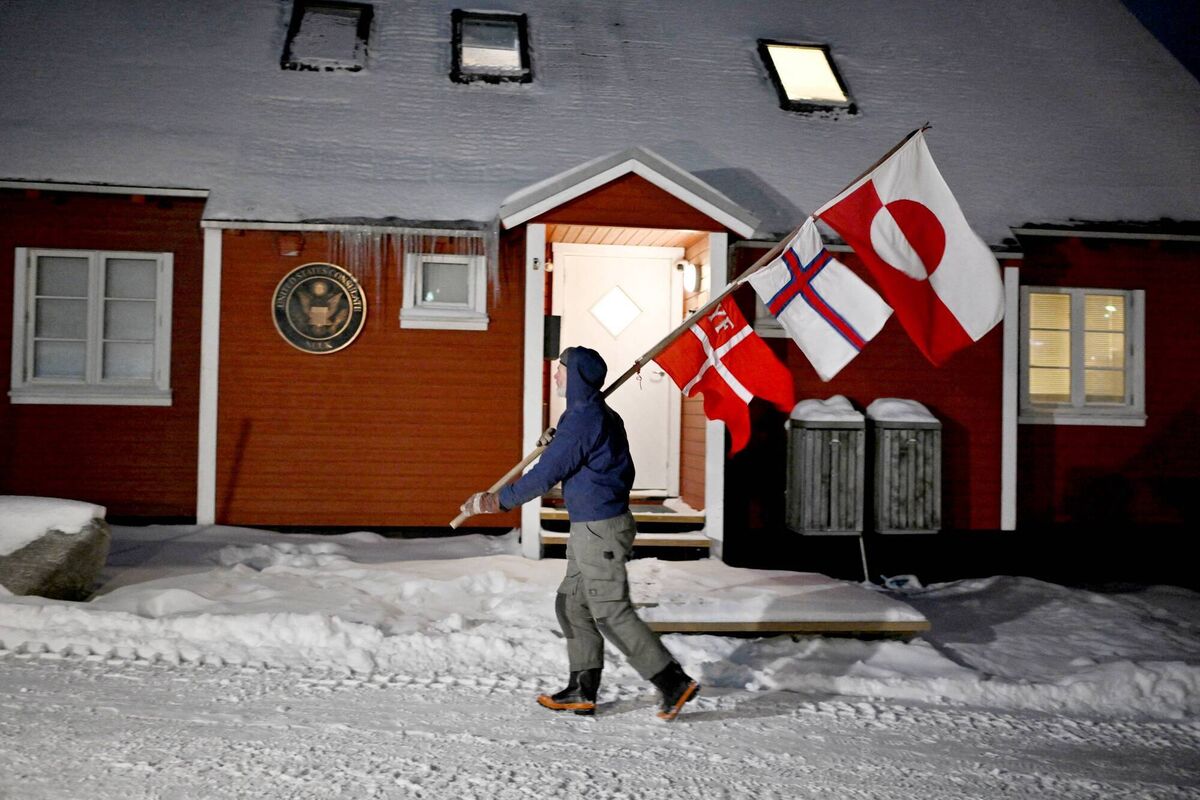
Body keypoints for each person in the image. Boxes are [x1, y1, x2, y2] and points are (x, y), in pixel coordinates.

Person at [460, 346, 700, 721]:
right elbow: (574, 457)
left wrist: (495, 502)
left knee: (610, 611)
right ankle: (581, 690)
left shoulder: (584, 420)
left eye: (560, 369)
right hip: (591, 528)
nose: (555, 375)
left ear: (575, 377)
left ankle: (673, 682)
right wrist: (553, 444)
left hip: (599, 530)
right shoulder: (590, 416)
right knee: (571, 606)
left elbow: (544, 477)